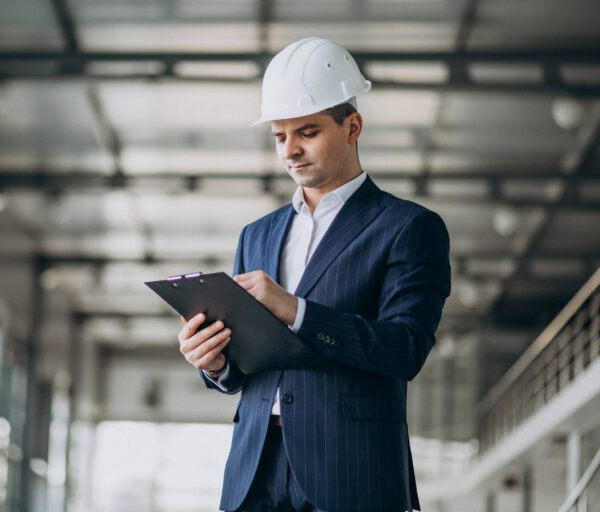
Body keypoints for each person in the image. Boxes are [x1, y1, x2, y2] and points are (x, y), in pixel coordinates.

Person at [177, 37, 451, 512]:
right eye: (279, 137)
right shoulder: (256, 235)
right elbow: (246, 365)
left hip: (352, 470)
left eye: (307, 132)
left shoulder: (408, 227)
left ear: (353, 126)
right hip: (256, 469)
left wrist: (295, 310)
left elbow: (405, 348)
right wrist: (215, 361)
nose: (291, 151)